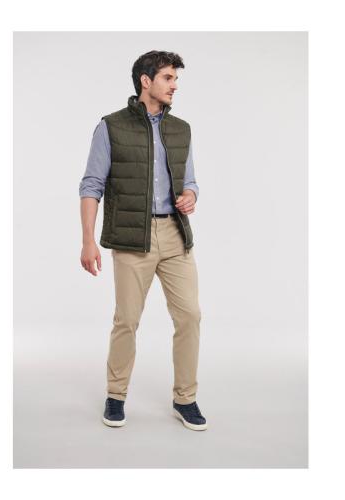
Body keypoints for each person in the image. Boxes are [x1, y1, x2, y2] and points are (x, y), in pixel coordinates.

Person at [79, 50, 207, 431]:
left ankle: (185, 398)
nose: (175, 85)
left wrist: (191, 196)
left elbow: (190, 181)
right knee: (127, 320)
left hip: (175, 235)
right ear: (145, 81)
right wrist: (88, 240)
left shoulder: (181, 129)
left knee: (190, 315)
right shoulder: (110, 127)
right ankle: (116, 395)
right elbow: (91, 185)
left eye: (176, 78)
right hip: (132, 237)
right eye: (168, 77)